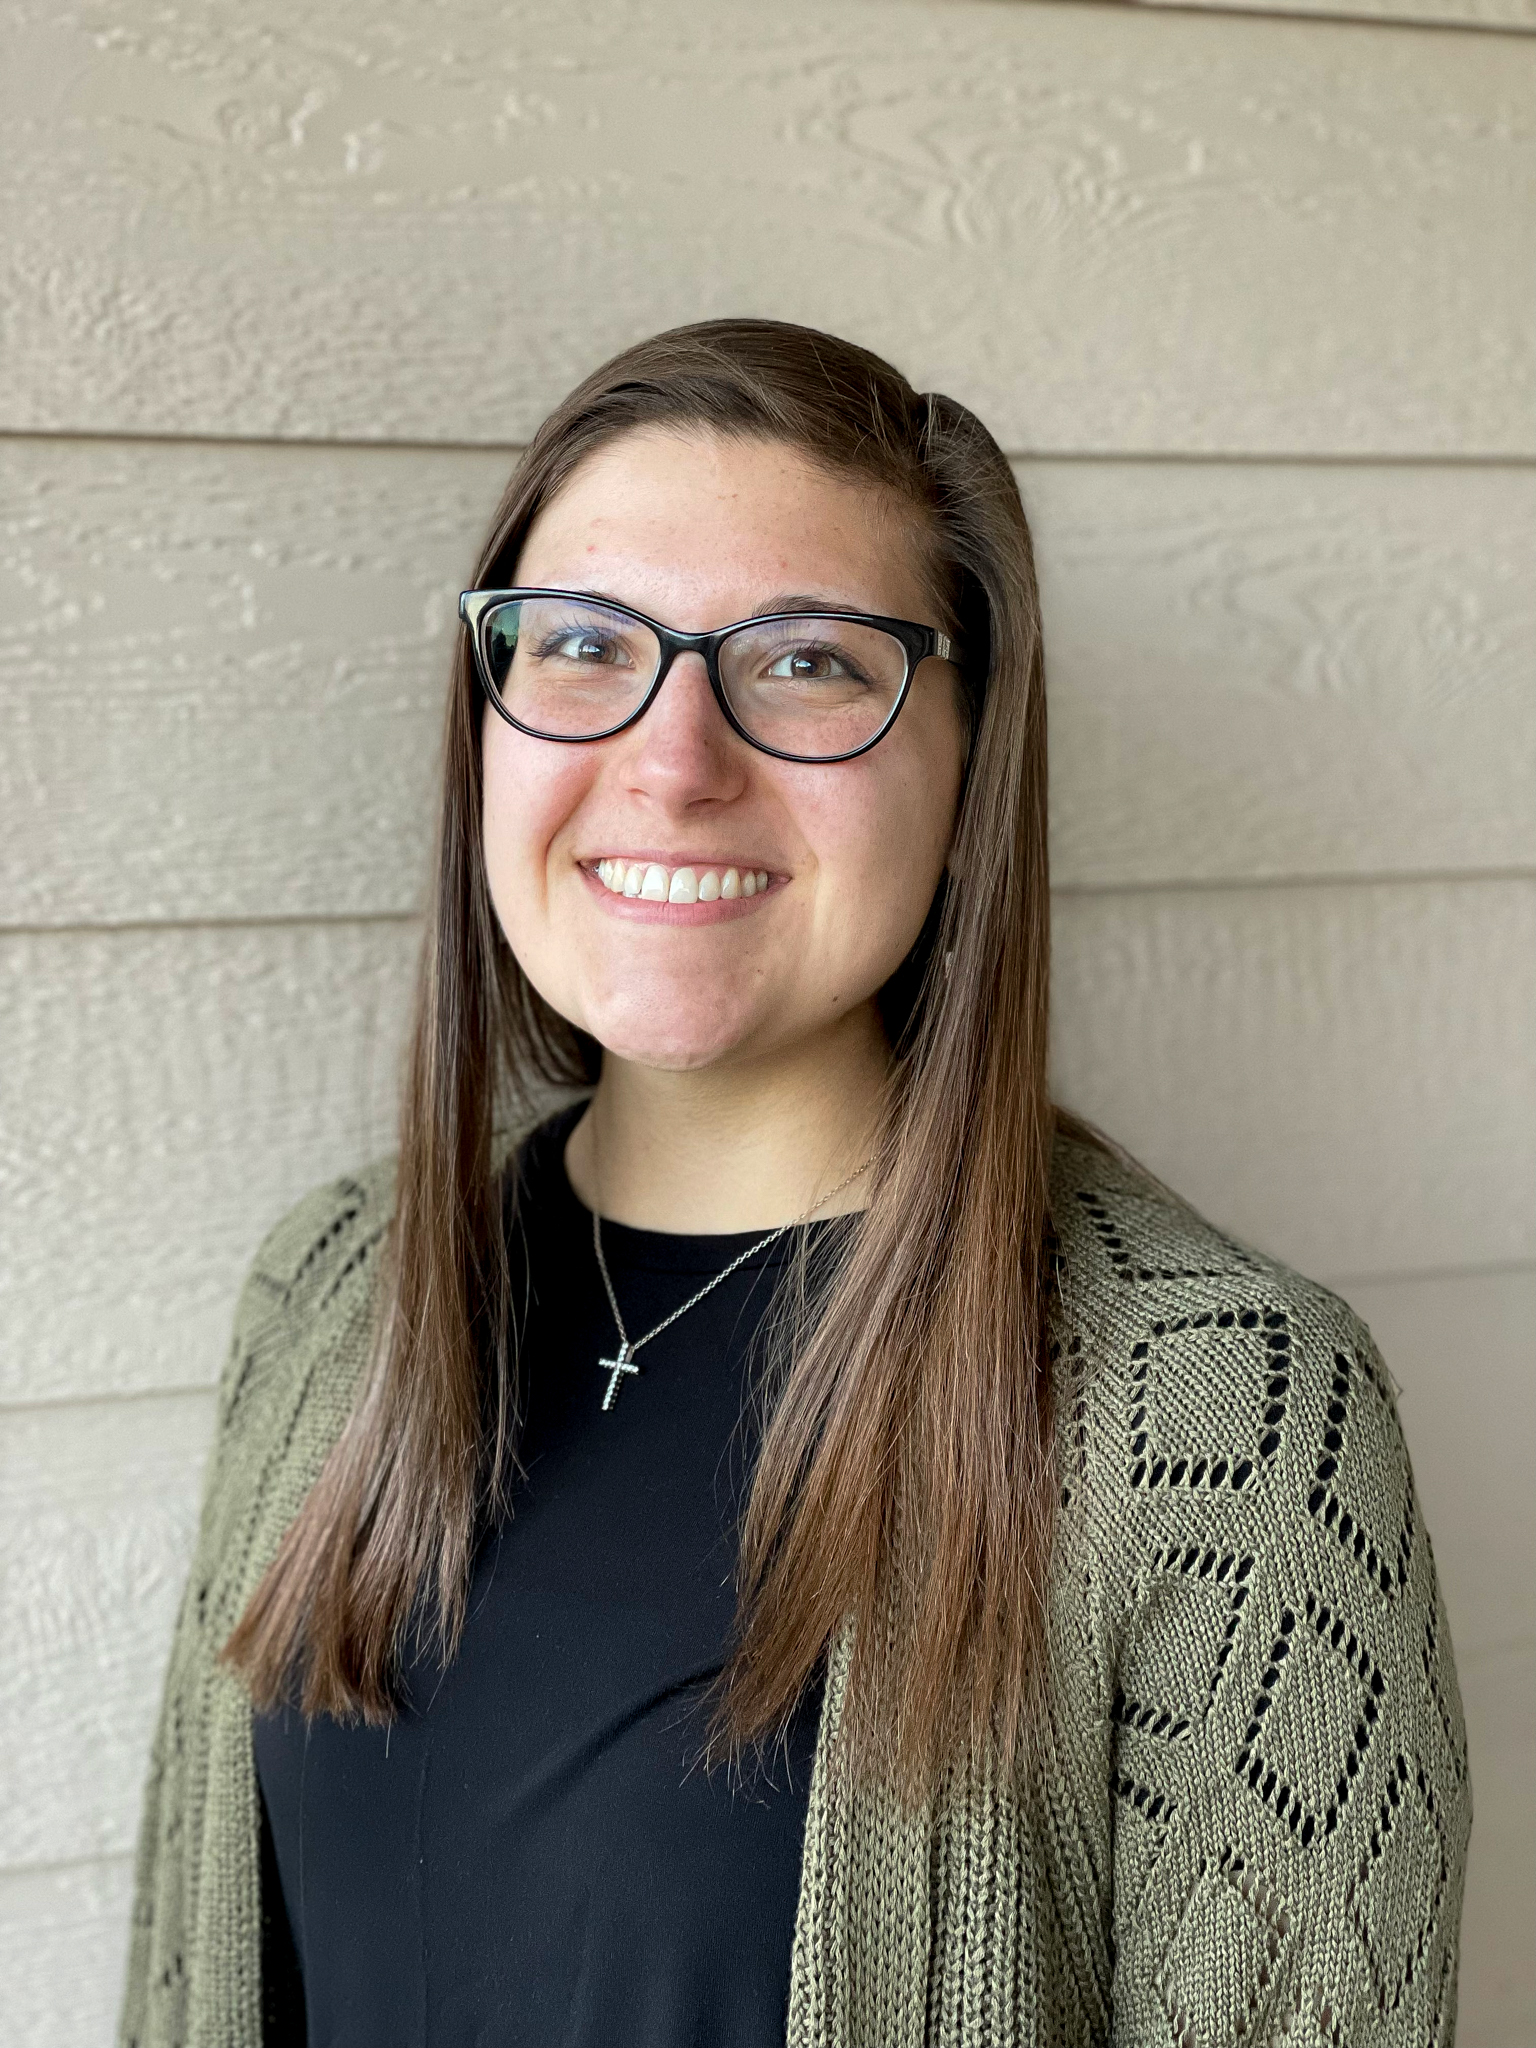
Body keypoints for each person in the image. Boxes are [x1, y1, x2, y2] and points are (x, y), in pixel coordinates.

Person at [121, 320, 1469, 2048]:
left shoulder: (1224, 1421)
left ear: (972, 765)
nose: (674, 758)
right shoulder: (333, 1285)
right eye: (586, 645)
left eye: (811, 663)